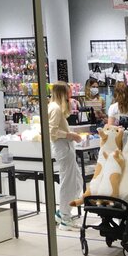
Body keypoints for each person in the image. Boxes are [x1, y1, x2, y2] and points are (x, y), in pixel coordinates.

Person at [47, 81, 85, 228]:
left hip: (65, 147)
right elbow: (52, 132)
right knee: (68, 182)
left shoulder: (55, 107)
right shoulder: (55, 108)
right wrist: (70, 135)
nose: (71, 94)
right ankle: (65, 217)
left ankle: (62, 213)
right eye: (69, 91)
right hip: (63, 147)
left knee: (76, 181)